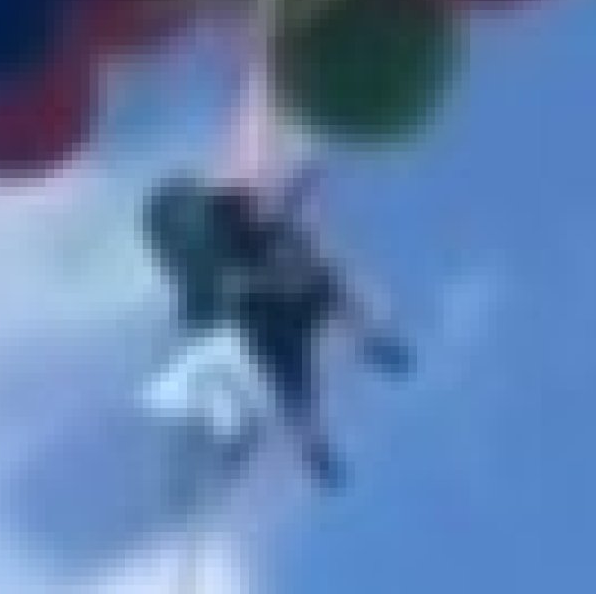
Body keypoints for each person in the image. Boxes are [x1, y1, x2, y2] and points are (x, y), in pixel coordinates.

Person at [143, 172, 411, 488]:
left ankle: (369, 350)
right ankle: (313, 445)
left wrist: (297, 194)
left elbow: (278, 224)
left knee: (325, 304)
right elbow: (200, 309)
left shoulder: (246, 229)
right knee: (299, 372)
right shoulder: (222, 243)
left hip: (272, 312)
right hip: (266, 320)